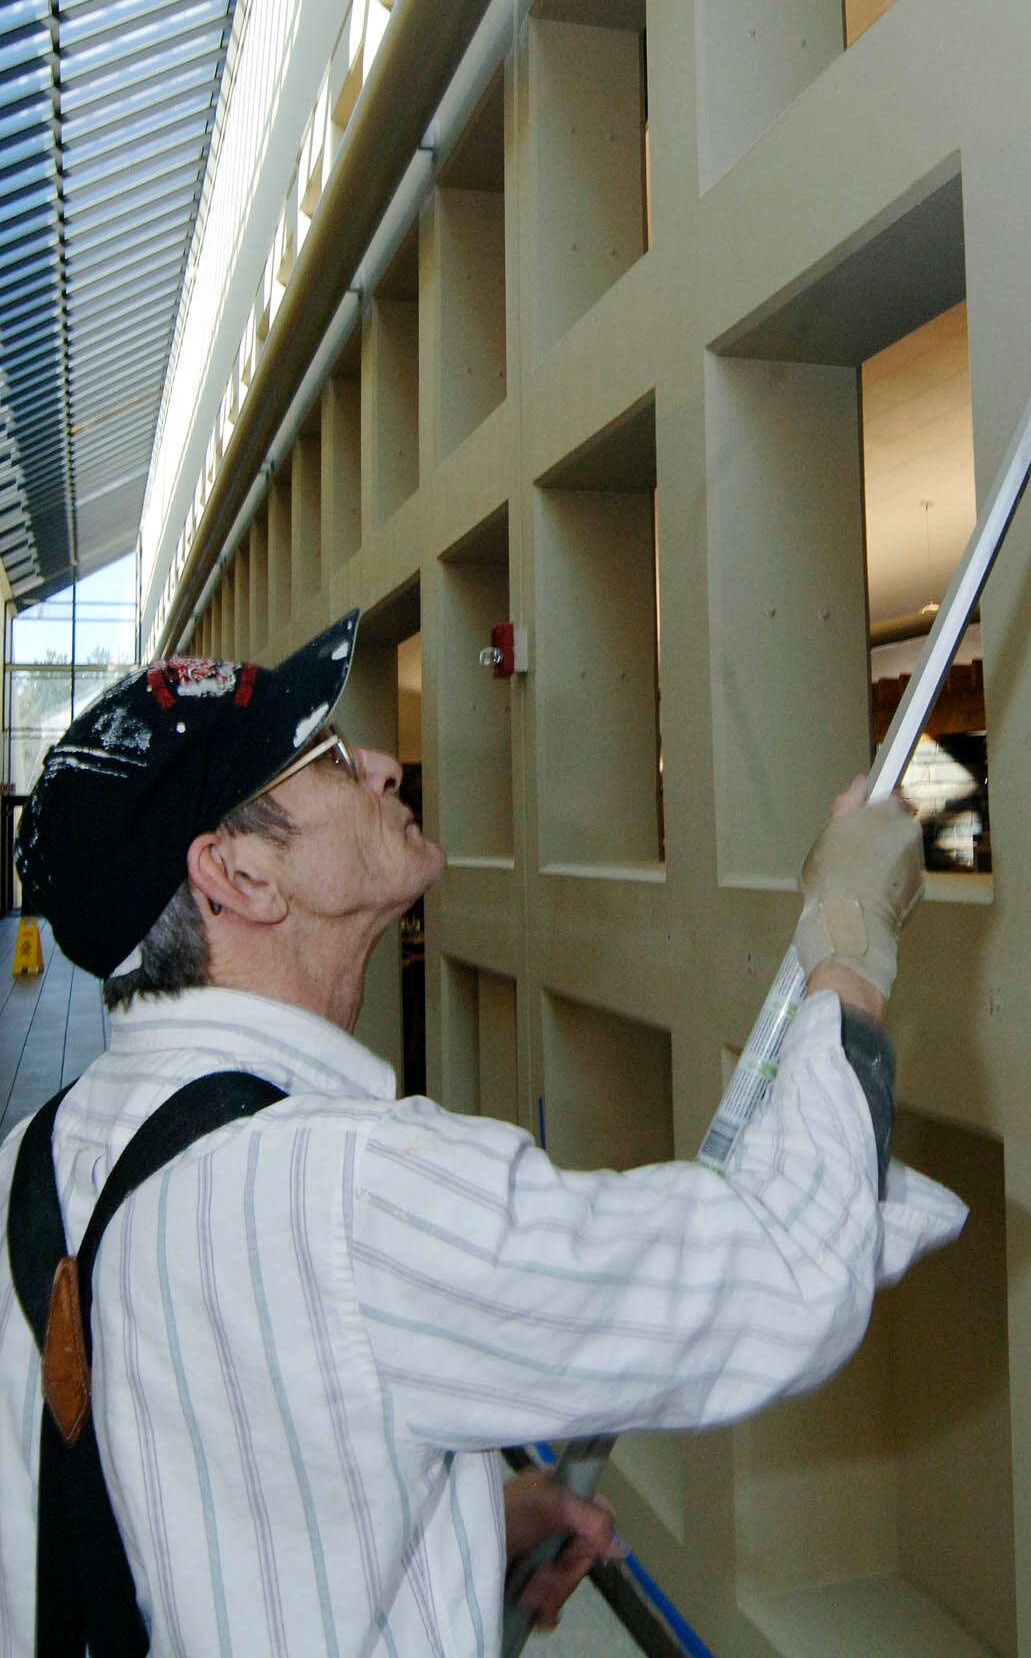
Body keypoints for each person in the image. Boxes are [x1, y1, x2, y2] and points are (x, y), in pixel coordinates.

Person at [1, 611, 965, 1657]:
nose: (377, 763)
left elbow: (173, 1501)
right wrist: (848, 939)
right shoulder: (357, 1192)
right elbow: (784, 1269)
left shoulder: (29, 1165)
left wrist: (460, 1532)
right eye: (323, 758)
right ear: (239, 876)